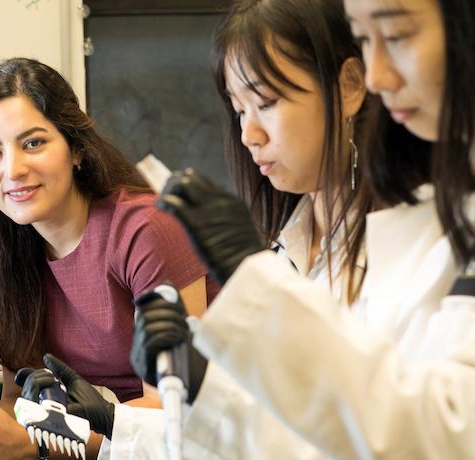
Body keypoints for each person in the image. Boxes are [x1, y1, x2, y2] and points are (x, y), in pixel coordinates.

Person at [24, 0, 475, 458]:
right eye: (239, 110)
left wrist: (256, 284)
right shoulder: (291, 247)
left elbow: (416, 433)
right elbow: (270, 439)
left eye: (267, 102)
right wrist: (126, 422)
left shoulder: (431, 240)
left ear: (350, 85)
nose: (249, 135)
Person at [0, 57, 214, 459]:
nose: (12, 170)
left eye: (33, 143)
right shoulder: (8, 252)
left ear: (77, 150)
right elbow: (17, 399)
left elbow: (176, 415)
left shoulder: (148, 230)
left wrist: (38, 444)